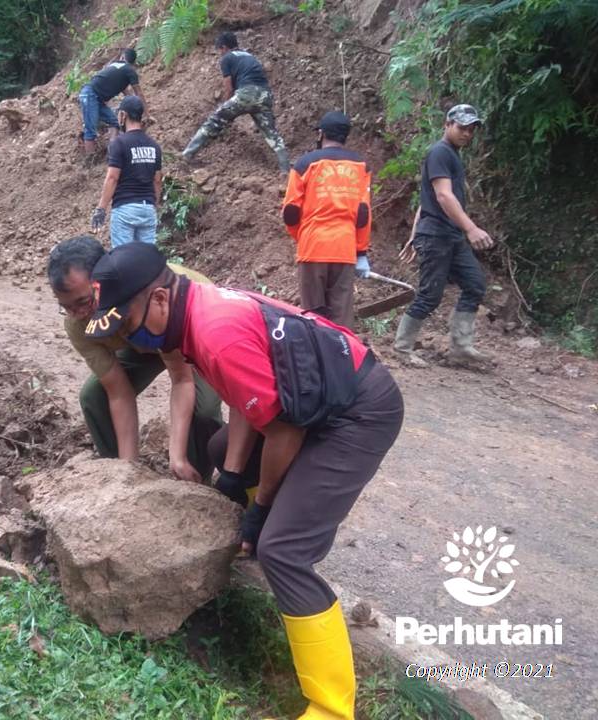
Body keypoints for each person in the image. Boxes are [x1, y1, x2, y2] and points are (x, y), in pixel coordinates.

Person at [87, 243, 403, 720]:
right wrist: (233, 475)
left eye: (127, 325)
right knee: (221, 451)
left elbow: (283, 430)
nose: (129, 340)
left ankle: (331, 708)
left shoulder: (215, 333)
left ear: (158, 299)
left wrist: (261, 509)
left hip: (356, 412)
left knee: (285, 551)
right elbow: (247, 402)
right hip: (320, 397)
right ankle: (267, 536)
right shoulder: (196, 312)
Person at [49, 237, 222, 481]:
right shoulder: (78, 325)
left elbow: (181, 378)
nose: (78, 314)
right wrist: (127, 471)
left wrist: (177, 456)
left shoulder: (147, 295)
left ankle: (196, 480)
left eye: (84, 302)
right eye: (66, 307)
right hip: (140, 342)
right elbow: (119, 392)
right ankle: (117, 471)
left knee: (204, 409)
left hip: (188, 331)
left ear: (103, 280)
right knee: (94, 396)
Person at [394, 104, 493, 366]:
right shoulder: (440, 152)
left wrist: (414, 234)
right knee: (430, 294)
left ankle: (461, 348)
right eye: (462, 127)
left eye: (471, 129)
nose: (467, 133)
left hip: (449, 235)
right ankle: (402, 348)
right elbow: (443, 196)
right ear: (447, 125)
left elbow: (425, 200)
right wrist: (471, 228)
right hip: (437, 236)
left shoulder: (451, 154)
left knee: (474, 284)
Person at [282, 111, 372, 327]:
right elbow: (363, 213)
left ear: (321, 133)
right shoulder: (361, 166)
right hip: (344, 248)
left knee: (312, 317)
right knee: (341, 317)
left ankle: (315, 348)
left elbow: (291, 212)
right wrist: (361, 252)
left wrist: (303, 236)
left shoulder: (305, 164)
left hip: (313, 245)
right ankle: (342, 348)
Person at [182, 33, 289, 172]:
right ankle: (285, 169)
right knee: (271, 134)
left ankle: (187, 154)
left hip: (246, 94)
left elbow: (229, 87)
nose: (220, 53)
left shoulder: (227, 58)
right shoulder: (250, 56)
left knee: (214, 121)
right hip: (265, 95)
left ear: (224, 47)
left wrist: (226, 108)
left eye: (219, 50)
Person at [90, 96, 162, 247]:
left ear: (123, 115)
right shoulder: (154, 146)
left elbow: (112, 178)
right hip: (147, 209)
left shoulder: (119, 143)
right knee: (146, 257)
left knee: (123, 257)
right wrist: (153, 205)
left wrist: (101, 209)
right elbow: (157, 180)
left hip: (125, 210)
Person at [79, 49, 145, 158]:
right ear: (133, 63)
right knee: (90, 129)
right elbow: (138, 94)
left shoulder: (115, 67)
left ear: (123, 57)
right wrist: (146, 114)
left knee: (115, 122)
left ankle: (112, 152)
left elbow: (128, 95)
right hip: (90, 95)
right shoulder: (129, 70)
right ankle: (90, 161)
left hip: (93, 95)